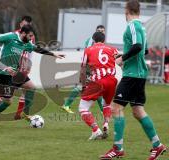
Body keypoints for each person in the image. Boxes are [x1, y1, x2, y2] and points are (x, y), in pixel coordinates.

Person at [100, 1, 166, 159]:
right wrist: (124, 54)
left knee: (116, 108)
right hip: (139, 74)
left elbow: (137, 47)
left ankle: (117, 148)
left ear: (127, 10)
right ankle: (157, 145)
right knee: (137, 111)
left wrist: (122, 58)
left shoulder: (133, 25)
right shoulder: (142, 26)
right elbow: (145, 50)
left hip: (132, 75)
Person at [0, 24, 65, 127]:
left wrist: (53, 54)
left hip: (15, 72)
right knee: (7, 101)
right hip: (3, 73)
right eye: (29, 36)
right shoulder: (11, 37)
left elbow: (37, 49)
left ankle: (25, 113)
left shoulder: (26, 43)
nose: (30, 39)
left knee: (31, 87)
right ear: (23, 33)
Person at [79, 32, 118, 140]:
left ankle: (96, 130)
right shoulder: (112, 49)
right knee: (106, 104)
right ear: (104, 40)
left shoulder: (88, 50)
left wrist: (83, 85)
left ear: (93, 40)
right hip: (111, 80)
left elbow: (82, 69)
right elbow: (120, 60)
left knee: (83, 108)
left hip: (98, 82)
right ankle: (106, 124)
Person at [61, 25, 106, 114]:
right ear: (95, 31)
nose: (100, 32)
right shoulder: (91, 40)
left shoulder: (101, 42)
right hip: (89, 67)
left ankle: (102, 109)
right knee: (82, 86)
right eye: (99, 30)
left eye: (102, 31)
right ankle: (66, 105)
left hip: (94, 68)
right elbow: (88, 52)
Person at [14, 16, 36, 120]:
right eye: (24, 24)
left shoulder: (31, 36)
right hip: (14, 68)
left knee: (26, 89)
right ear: (20, 24)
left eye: (27, 25)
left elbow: (31, 51)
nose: (25, 26)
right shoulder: (14, 35)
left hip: (23, 67)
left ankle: (20, 114)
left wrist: (29, 65)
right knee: (6, 94)